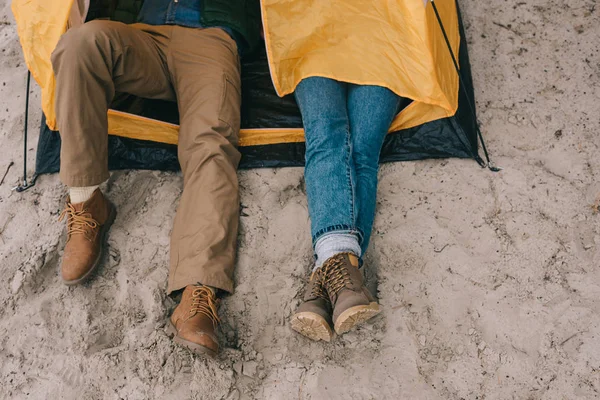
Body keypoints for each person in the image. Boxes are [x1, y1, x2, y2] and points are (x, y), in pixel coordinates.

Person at [51, 0, 261, 358]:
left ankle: (198, 290)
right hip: (141, 34)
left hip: (210, 36)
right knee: (77, 45)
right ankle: (87, 203)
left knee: (210, 142)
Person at [261, 3, 408, 342]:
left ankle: (323, 277)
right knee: (327, 134)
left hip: (383, 40)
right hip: (313, 40)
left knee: (362, 147)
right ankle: (343, 275)